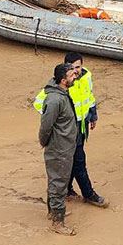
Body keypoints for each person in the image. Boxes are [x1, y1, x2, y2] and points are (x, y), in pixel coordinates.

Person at [36, 61, 81, 235]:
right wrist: (44, 142)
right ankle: (58, 221)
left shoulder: (62, 94)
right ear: (63, 80)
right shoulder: (55, 99)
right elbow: (46, 125)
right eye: (71, 75)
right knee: (59, 183)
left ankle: (52, 211)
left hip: (64, 146)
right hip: (59, 148)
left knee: (56, 180)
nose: (74, 77)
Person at [64, 53, 107, 207]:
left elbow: (89, 96)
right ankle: (88, 194)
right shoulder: (62, 82)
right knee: (79, 160)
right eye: (72, 68)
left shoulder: (87, 76)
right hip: (69, 128)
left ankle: (66, 189)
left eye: (78, 67)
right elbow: (42, 104)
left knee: (72, 159)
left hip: (83, 123)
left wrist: (93, 115)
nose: (76, 71)